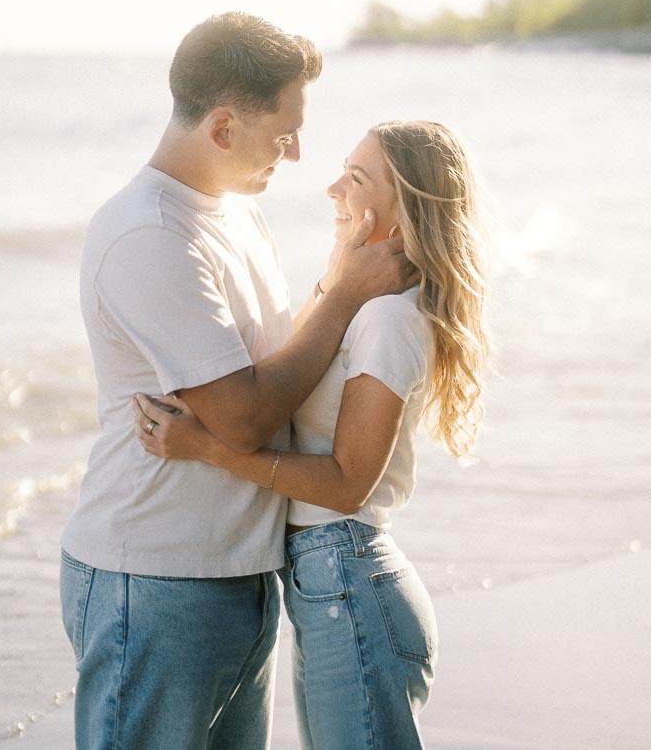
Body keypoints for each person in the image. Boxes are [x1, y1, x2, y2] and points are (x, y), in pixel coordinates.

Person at [60, 13, 418, 750]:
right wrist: (347, 293)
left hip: (241, 568)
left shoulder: (236, 215)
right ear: (222, 128)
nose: (295, 154)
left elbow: (283, 362)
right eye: (283, 133)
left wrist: (345, 273)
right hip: (155, 577)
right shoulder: (149, 234)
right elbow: (244, 417)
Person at [135, 119, 490, 750]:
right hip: (331, 585)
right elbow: (284, 377)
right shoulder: (360, 304)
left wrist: (208, 447)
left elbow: (348, 484)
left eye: (354, 178)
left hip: (348, 580)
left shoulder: (387, 320)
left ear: (404, 212)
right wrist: (338, 279)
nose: (331, 189)